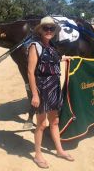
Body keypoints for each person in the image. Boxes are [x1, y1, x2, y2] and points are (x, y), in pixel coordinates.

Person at [27, 16, 74, 168]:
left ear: (54, 31)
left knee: (54, 121)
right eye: (45, 28)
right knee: (41, 124)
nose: (48, 31)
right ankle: (38, 155)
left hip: (54, 88)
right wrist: (34, 94)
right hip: (42, 89)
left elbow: (53, 61)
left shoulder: (52, 46)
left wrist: (65, 59)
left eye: (51, 28)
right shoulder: (35, 46)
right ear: (40, 30)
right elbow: (30, 72)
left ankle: (59, 150)